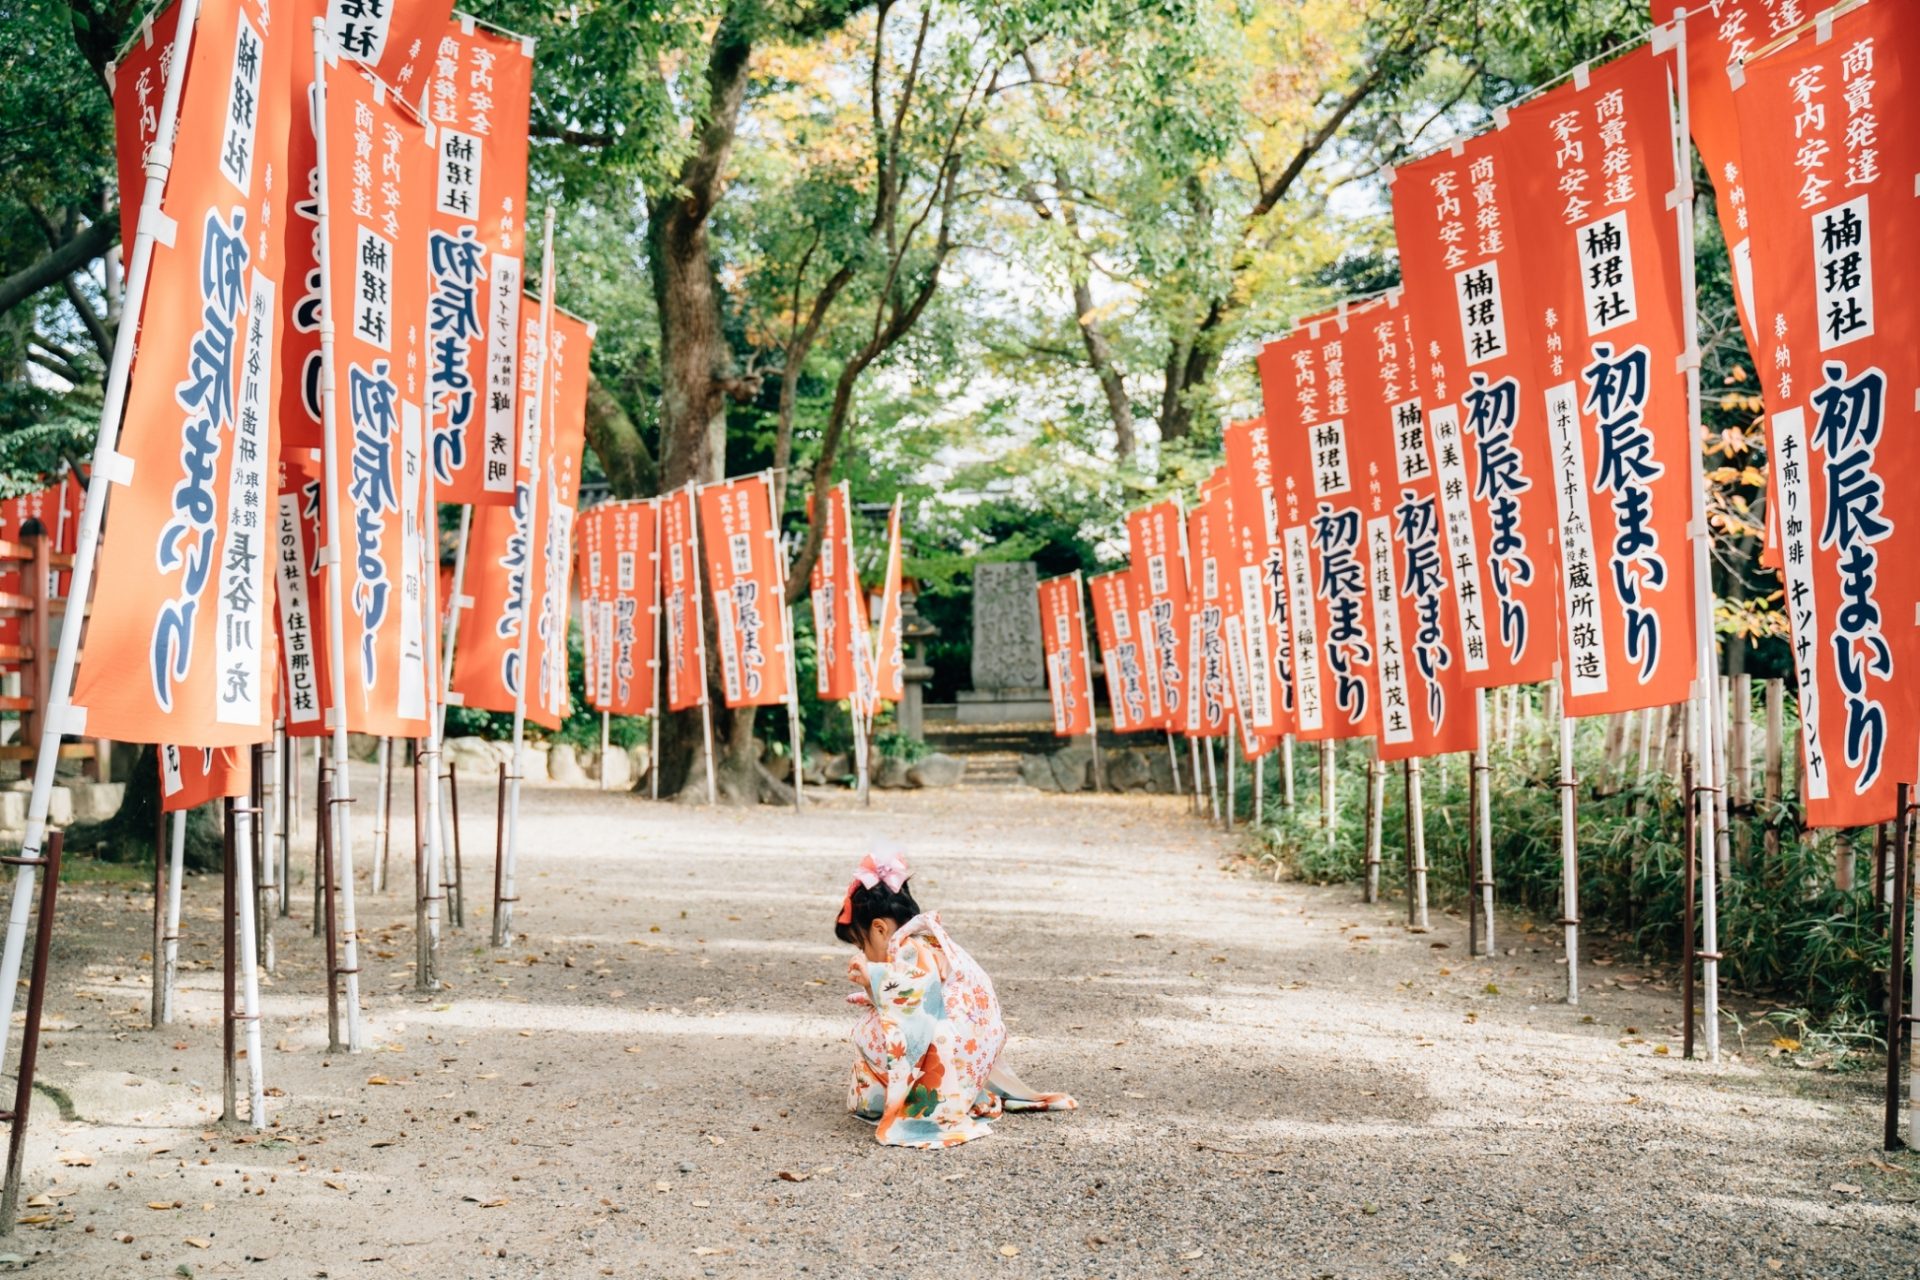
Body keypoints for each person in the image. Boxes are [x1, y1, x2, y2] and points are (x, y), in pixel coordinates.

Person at [836, 846, 1076, 1149]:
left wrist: (873, 977)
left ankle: (895, 1101)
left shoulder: (909, 948)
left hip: (951, 1048)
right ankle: (960, 1092)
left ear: (880, 929)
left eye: (862, 944)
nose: (863, 953)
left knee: (867, 1032)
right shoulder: (929, 938)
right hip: (972, 1048)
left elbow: (915, 999)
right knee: (882, 1020)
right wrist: (875, 987)